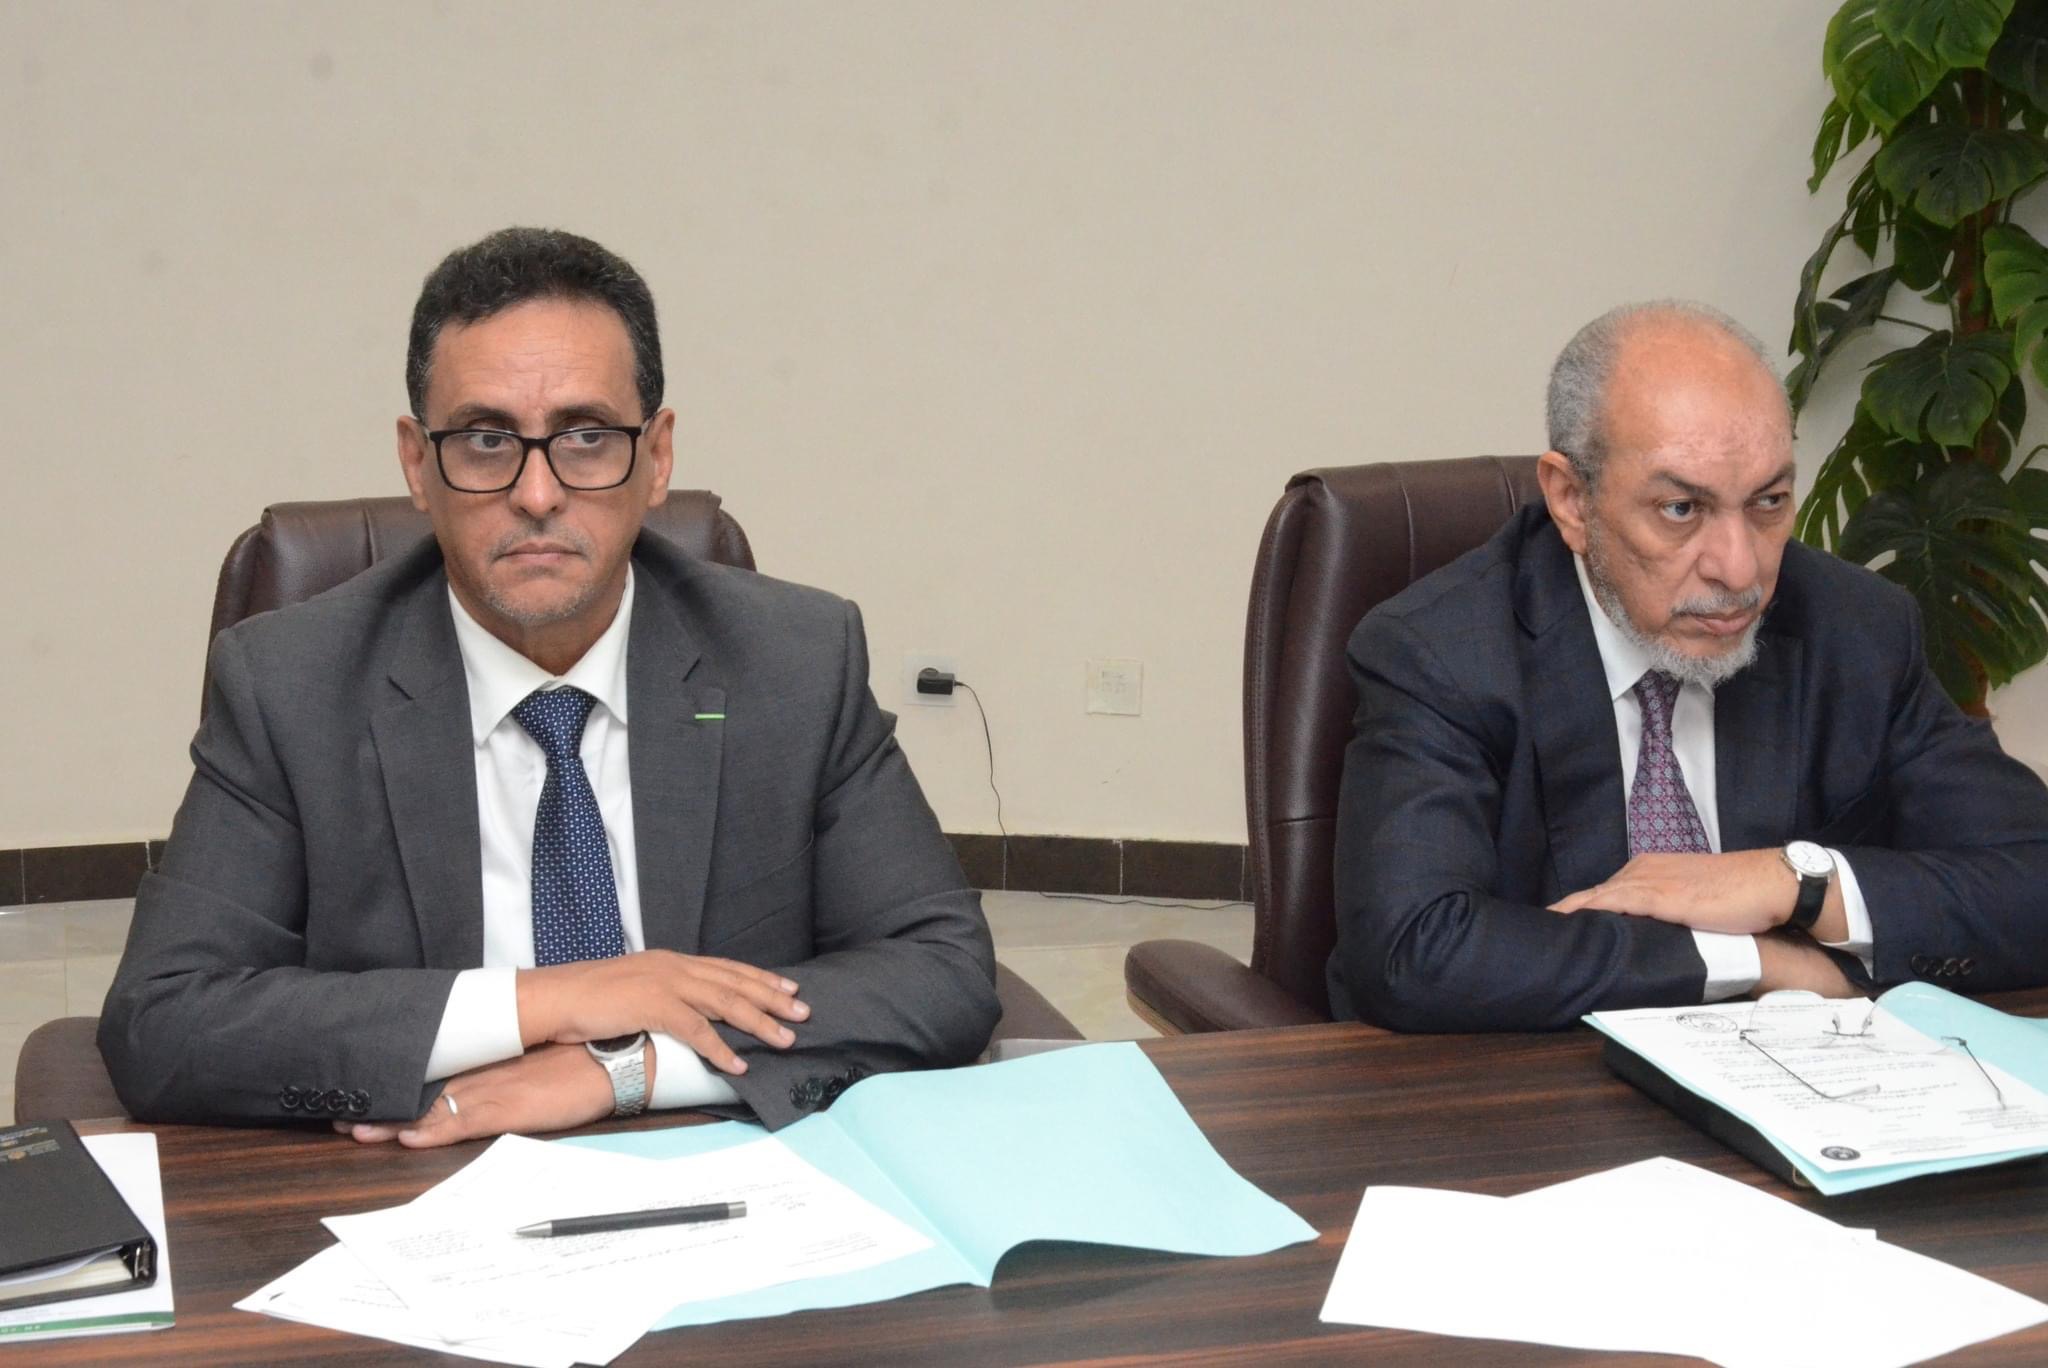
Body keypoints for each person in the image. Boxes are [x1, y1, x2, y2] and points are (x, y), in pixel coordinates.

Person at [100, 227, 999, 1141]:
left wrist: (626, 1069)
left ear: (658, 456)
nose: (537, 494)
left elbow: (942, 968)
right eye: (486, 440)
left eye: (587, 437)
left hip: (722, 1166)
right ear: (418, 464)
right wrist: (553, 1001)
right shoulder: (290, 685)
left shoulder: (796, 660)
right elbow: (162, 1022)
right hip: (419, 1173)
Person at [1328, 300, 2048, 1031]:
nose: (1740, 570)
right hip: (1533, 1085)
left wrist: (1794, 885)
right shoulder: (1444, 654)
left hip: (1808, 1080)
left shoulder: (1857, 629)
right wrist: (1756, 963)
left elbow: (2034, 874)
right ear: (1571, 500)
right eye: (1681, 509)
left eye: (1769, 501)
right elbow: (1412, 950)